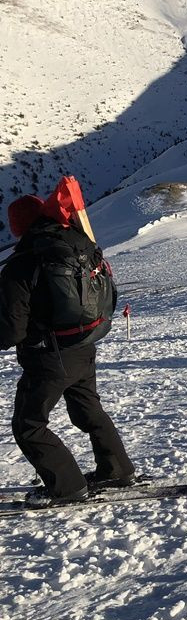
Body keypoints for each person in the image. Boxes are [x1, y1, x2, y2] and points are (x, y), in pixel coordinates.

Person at [0, 195, 135, 507]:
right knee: (88, 410)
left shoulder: (23, 263)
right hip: (85, 345)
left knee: (29, 424)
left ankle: (67, 487)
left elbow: (11, 330)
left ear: (19, 225)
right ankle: (117, 469)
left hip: (49, 355)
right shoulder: (76, 241)